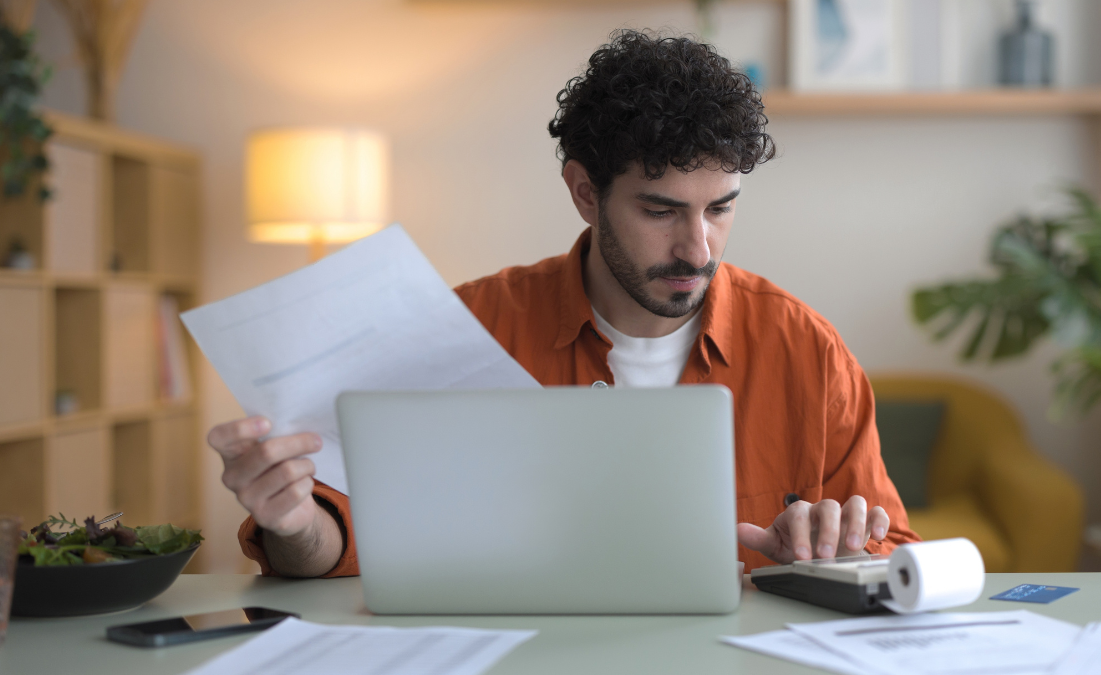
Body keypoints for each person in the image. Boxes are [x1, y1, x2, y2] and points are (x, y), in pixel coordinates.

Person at [207, 30, 920, 578]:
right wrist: (294, 522)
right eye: (661, 210)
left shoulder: (806, 350)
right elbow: (340, 547)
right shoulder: (466, 329)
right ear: (584, 192)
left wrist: (837, 553)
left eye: (721, 208)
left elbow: (892, 550)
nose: (697, 248)